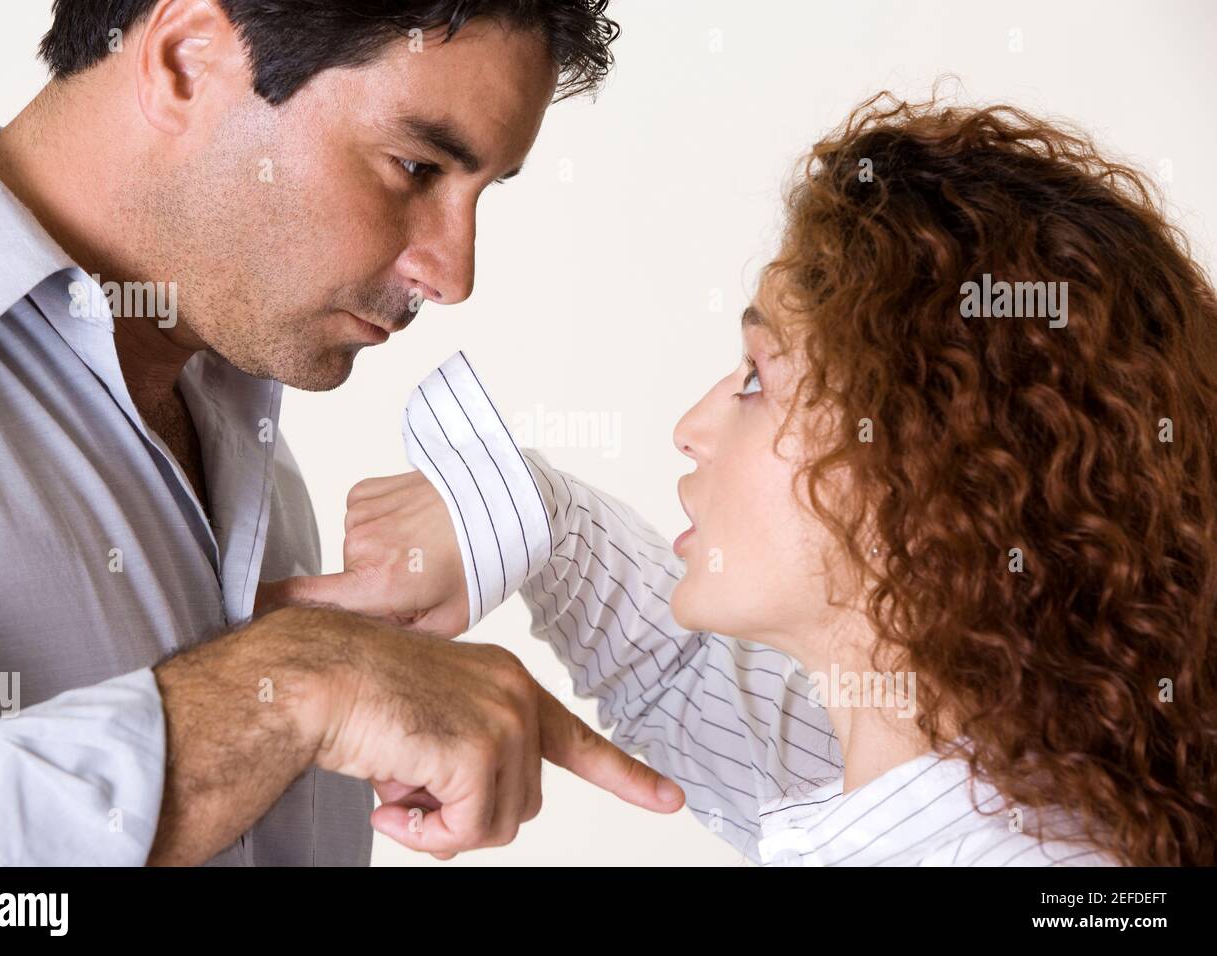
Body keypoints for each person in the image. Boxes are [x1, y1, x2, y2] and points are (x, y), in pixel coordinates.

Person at [335, 92, 1217, 865]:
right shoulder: (927, 766)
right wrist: (514, 507)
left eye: (757, 377)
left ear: (921, 461)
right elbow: (673, 672)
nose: (691, 429)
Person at [0, 0, 688, 867]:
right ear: (186, 59)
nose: (451, 273)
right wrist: (293, 692)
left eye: (481, 193)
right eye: (416, 166)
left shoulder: (243, 431)